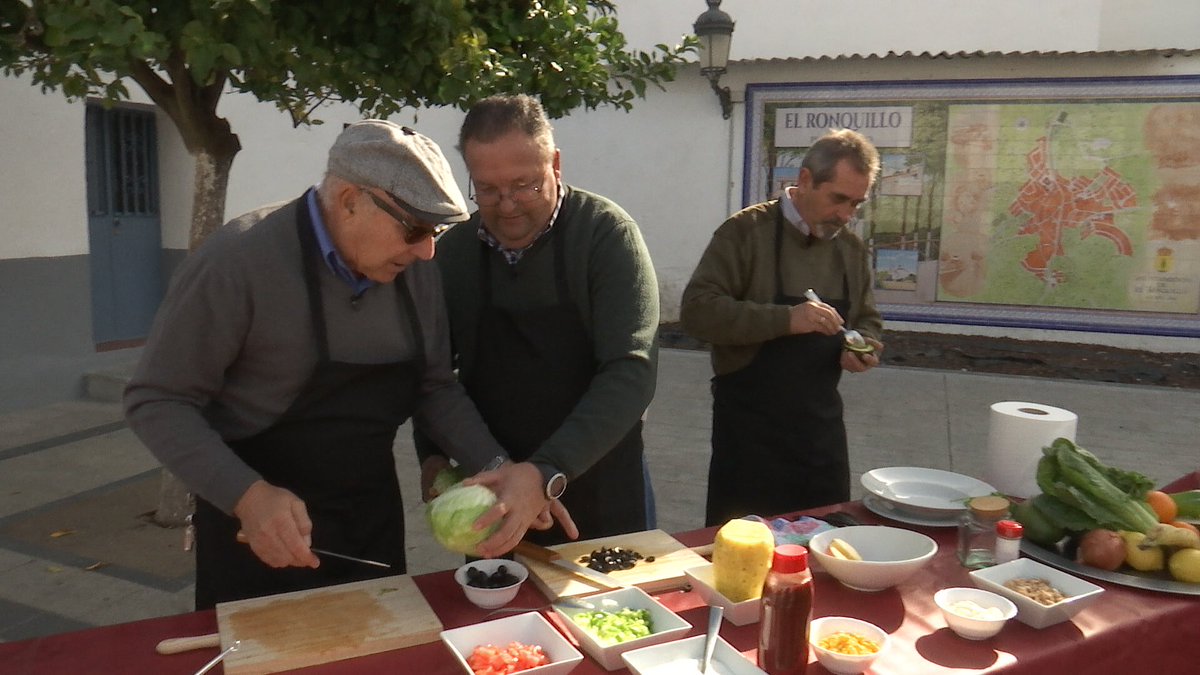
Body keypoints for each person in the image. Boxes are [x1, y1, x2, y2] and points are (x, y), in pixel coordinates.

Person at [124, 120, 572, 609]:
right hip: (253, 534)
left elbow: (435, 387)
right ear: (349, 200)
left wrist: (499, 469)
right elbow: (158, 399)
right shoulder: (239, 261)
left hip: (368, 524)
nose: (427, 251)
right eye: (415, 228)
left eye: (437, 231)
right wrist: (245, 496)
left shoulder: (416, 272)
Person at [415, 94, 660, 545]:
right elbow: (432, 373)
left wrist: (545, 473)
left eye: (524, 185)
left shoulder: (605, 235)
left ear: (556, 164)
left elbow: (631, 371)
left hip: (600, 483)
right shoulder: (453, 254)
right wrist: (431, 453)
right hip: (493, 492)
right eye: (487, 189)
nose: (507, 205)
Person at [680, 128, 886, 527]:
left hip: (820, 439)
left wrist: (866, 344)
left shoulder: (851, 250)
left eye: (856, 204)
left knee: (823, 551)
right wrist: (786, 319)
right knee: (744, 559)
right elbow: (697, 311)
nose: (846, 215)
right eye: (838, 199)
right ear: (805, 180)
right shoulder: (744, 233)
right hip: (749, 440)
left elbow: (867, 317)